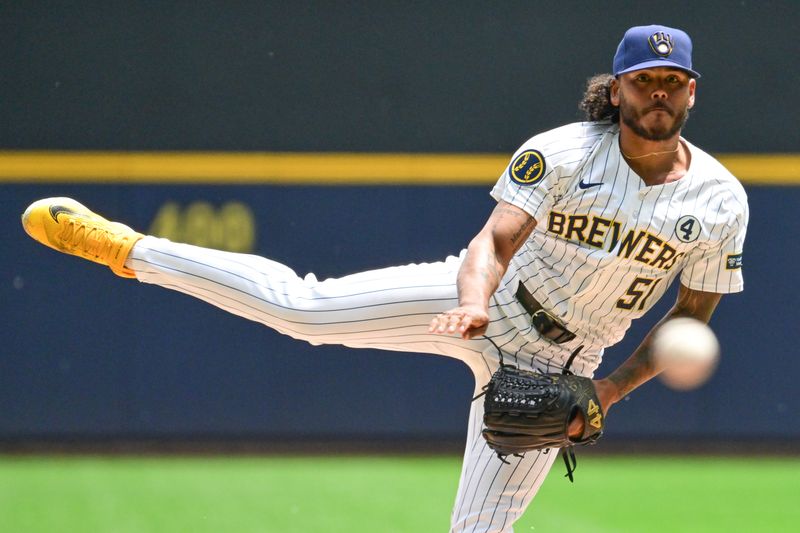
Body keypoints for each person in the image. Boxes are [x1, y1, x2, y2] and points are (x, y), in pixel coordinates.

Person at [22, 24, 747, 532]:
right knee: (304, 308)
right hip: (489, 300)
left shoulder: (719, 200)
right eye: (644, 80)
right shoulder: (561, 153)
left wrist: (607, 391)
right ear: (615, 89)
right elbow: (493, 241)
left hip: (563, 362)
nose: (659, 92)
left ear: (692, 93)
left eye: (672, 81)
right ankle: (128, 249)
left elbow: (692, 314)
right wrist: (470, 302)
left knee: (481, 528)